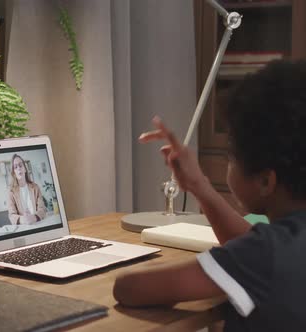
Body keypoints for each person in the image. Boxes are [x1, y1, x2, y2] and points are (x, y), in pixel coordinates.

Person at [113, 60, 306, 331]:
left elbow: (129, 288)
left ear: (265, 181)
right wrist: (199, 186)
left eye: (231, 156)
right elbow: (248, 244)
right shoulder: (282, 245)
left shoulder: (263, 255)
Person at [8, 154, 46, 225]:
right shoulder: (11, 192)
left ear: (25, 169)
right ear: (14, 173)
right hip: (24, 229)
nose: (19, 168)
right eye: (15, 167)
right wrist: (22, 219)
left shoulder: (35, 187)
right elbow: (11, 215)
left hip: (38, 224)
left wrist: (34, 217)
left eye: (20, 165)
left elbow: (42, 209)